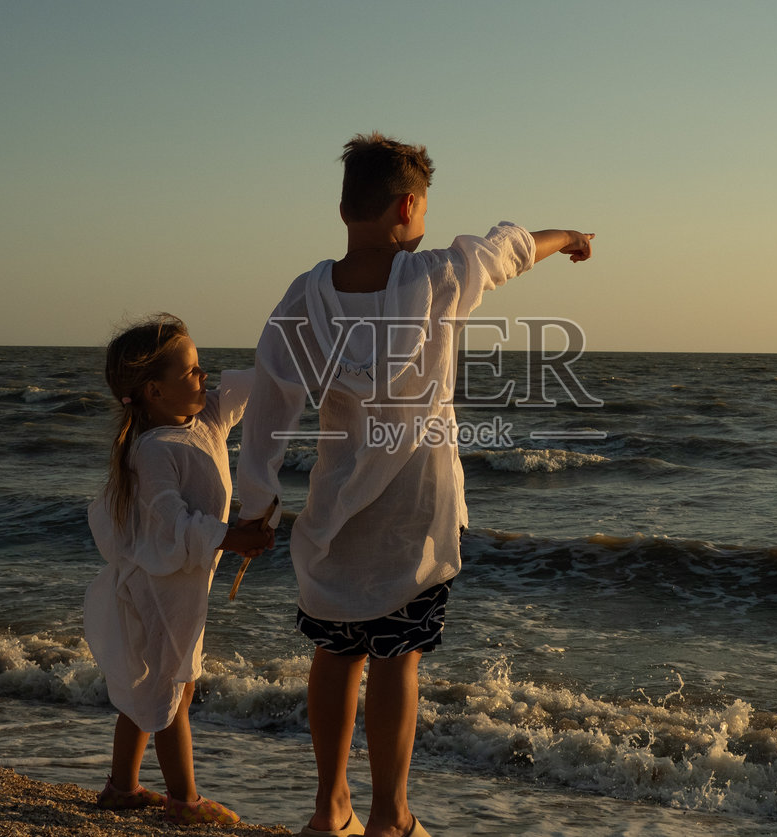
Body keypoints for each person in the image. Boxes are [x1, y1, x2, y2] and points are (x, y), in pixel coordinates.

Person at [235, 133, 595, 837]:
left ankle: (328, 806)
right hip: (415, 519)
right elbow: (513, 244)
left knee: (334, 655)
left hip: (335, 513)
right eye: (424, 208)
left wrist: (258, 504)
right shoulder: (436, 277)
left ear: (346, 207)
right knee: (397, 661)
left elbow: (271, 407)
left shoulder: (304, 297)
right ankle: (390, 815)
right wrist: (573, 236)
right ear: (408, 206)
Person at [82, 314, 275, 825]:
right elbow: (172, 521)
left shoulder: (203, 420)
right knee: (174, 685)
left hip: (187, 580)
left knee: (154, 681)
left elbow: (258, 383)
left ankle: (122, 788)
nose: (204, 377)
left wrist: (304, 352)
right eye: (191, 372)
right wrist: (234, 539)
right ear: (154, 391)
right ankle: (184, 803)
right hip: (162, 582)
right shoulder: (153, 451)